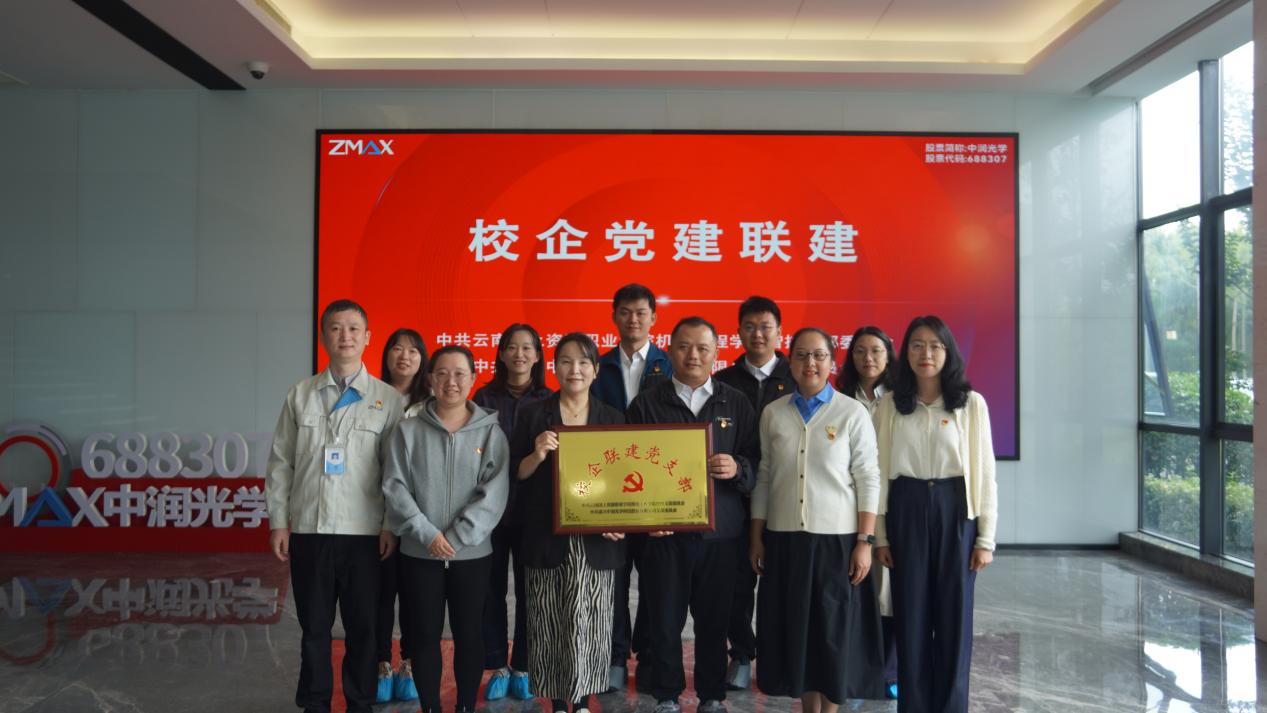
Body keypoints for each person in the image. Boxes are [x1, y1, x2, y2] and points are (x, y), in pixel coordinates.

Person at [265, 299, 403, 713]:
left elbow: (395, 470)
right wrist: (279, 521)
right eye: (336, 328)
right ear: (324, 337)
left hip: (365, 534)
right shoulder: (301, 395)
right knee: (314, 628)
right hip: (310, 531)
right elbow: (281, 462)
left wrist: (390, 524)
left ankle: (360, 702)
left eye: (353, 329)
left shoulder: (387, 399)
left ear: (368, 337)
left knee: (363, 628)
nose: (345, 336)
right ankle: (315, 702)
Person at [627, 317, 759, 713]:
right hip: (665, 534)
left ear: (717, 352)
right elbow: (628, 468)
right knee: (665, 621)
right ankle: (666, 695)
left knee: (714, 621)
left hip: (721, 535)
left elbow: (757, 462)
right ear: (669, 350)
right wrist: (645, 519)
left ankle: (711, 696)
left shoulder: (736, 402)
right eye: (684, 346)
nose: (693, 355)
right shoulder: (647, 403)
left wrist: (737, 467)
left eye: (703, 347)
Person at [750, 327, 885, 712]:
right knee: (800, 634)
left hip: (837, 543)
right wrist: (756, 536)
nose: (810, 363)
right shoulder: (773, 413)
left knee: (832, 635)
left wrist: (865, 541)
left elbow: (868, 477)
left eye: (819, 355)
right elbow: (765, 477)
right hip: (785, 540)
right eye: (802, 355)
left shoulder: (852, 412)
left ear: (831, 362)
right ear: (790, 362)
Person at [872, 316, 998, 713]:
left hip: (955, 510)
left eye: (935, 346)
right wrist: (881, 535)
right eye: (916, 345)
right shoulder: (890, 405)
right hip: (906, 508)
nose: (925, 354)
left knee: (954, 619)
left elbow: (985, 474)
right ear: (905, 353)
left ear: (948, 352)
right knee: (910, 617)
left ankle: (951, 706)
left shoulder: (970, 404)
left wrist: (985, 539)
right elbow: (878, 473)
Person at [383, 346, 510, 713]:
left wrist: (454, 538)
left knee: (469, 635)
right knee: (423, 636)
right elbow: (395, 487)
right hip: (419, 553)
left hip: (471, 556)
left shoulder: (491, 434)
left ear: (472, 379)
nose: (450, 381)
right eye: (442, 373)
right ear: (430, 379)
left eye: (459, 374)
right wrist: (428, 535)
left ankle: (465, 706)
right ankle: (430, 708)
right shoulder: (407, 431)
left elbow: (494, 494)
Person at [514, 333, 627, 713]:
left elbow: (623, 480)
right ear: (554, 367)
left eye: (583, 362)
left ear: (595, 370)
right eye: (565, 361)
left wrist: (620, 521)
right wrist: (537, 453)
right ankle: (558, 702)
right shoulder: (533, 415)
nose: (574, 369)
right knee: (549, 620)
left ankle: (581, 701)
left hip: (596, 539)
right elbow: (517, 473)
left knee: (590, 622)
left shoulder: (612, 418)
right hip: (547, 536)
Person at [591, 283, 673, 692]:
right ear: (614, 317)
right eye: (625, 312)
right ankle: (615, 657)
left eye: (641, 312)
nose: (633, 319)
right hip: (612, 487)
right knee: (615, 580)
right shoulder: (598, 366)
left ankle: (650, 655)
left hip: (656, 488)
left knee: (656, 581)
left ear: (654, 317)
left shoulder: (670, 364)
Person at [714, 296, 795, 690]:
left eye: (765, 326)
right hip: (735, 498)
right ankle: (742, 654)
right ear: (738, 332)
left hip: (786, 497)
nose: (758, 334)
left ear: (779, 332)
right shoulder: (723, 381)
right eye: (749, 326)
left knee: (784, 582)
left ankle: (782, 657)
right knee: (736, 584)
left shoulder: (798, 376)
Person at [475, 324, 553, 702]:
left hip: (532, 513)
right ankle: (497, 665)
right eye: (512, 347)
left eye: (527, 348)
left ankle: (523, 665)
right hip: (489, 510)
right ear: (501, 354)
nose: (519, 354)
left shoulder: (549, 400)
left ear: (537, 356)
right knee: (490, 590)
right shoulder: (483, 397)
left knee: (529, 592)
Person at [836, 325, 899, 699]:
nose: (868, 358)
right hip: (852, 508)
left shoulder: (901, 398)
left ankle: (889, 673)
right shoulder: (840, 397)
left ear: (889, 355)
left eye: (876, 350)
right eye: (860, 350)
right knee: (858, 589)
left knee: (890, 595)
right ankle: (856, 672)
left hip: (892, 505)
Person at [374, 328, 430, 704]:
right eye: (397, 348)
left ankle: (408, 664)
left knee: (414, 596)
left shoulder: (433, 403)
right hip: (375, 515)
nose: (404, 356)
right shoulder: (371, 397)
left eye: (413, 351)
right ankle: (381, 664)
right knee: (379, 595)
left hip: (418, 519)